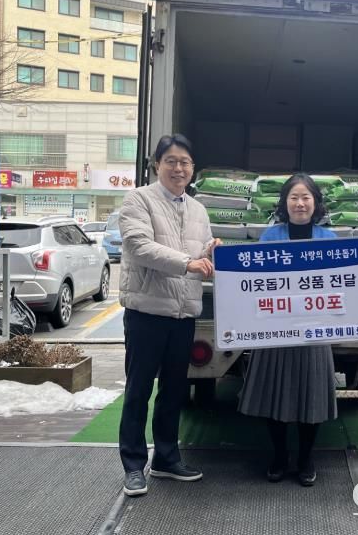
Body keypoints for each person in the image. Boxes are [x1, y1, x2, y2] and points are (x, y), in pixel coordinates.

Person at [118, 134, 221, 497]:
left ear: (193, 169)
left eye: (185, 162)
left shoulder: (198, 209)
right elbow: (138, 246)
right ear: (157, 165)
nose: (179, 168)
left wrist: (212, 251)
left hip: (183, 313)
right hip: (147, 311)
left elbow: (201, 253)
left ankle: (165, 458)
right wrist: (188, 262)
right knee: (138, 390)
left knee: (174, 390)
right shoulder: (138, 199)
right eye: (171, 161)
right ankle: (133, 465)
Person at [238, 173, 338, 487]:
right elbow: (254, 283)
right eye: (293, 197)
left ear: (315, 203)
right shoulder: (270, 238)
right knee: (274, 395)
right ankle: (280, 456)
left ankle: (306, 458)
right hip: (275, 332)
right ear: (284, 203)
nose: (300, 203)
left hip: (316, 331)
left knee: (312, 396)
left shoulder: (330, 240)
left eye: (306, 197)